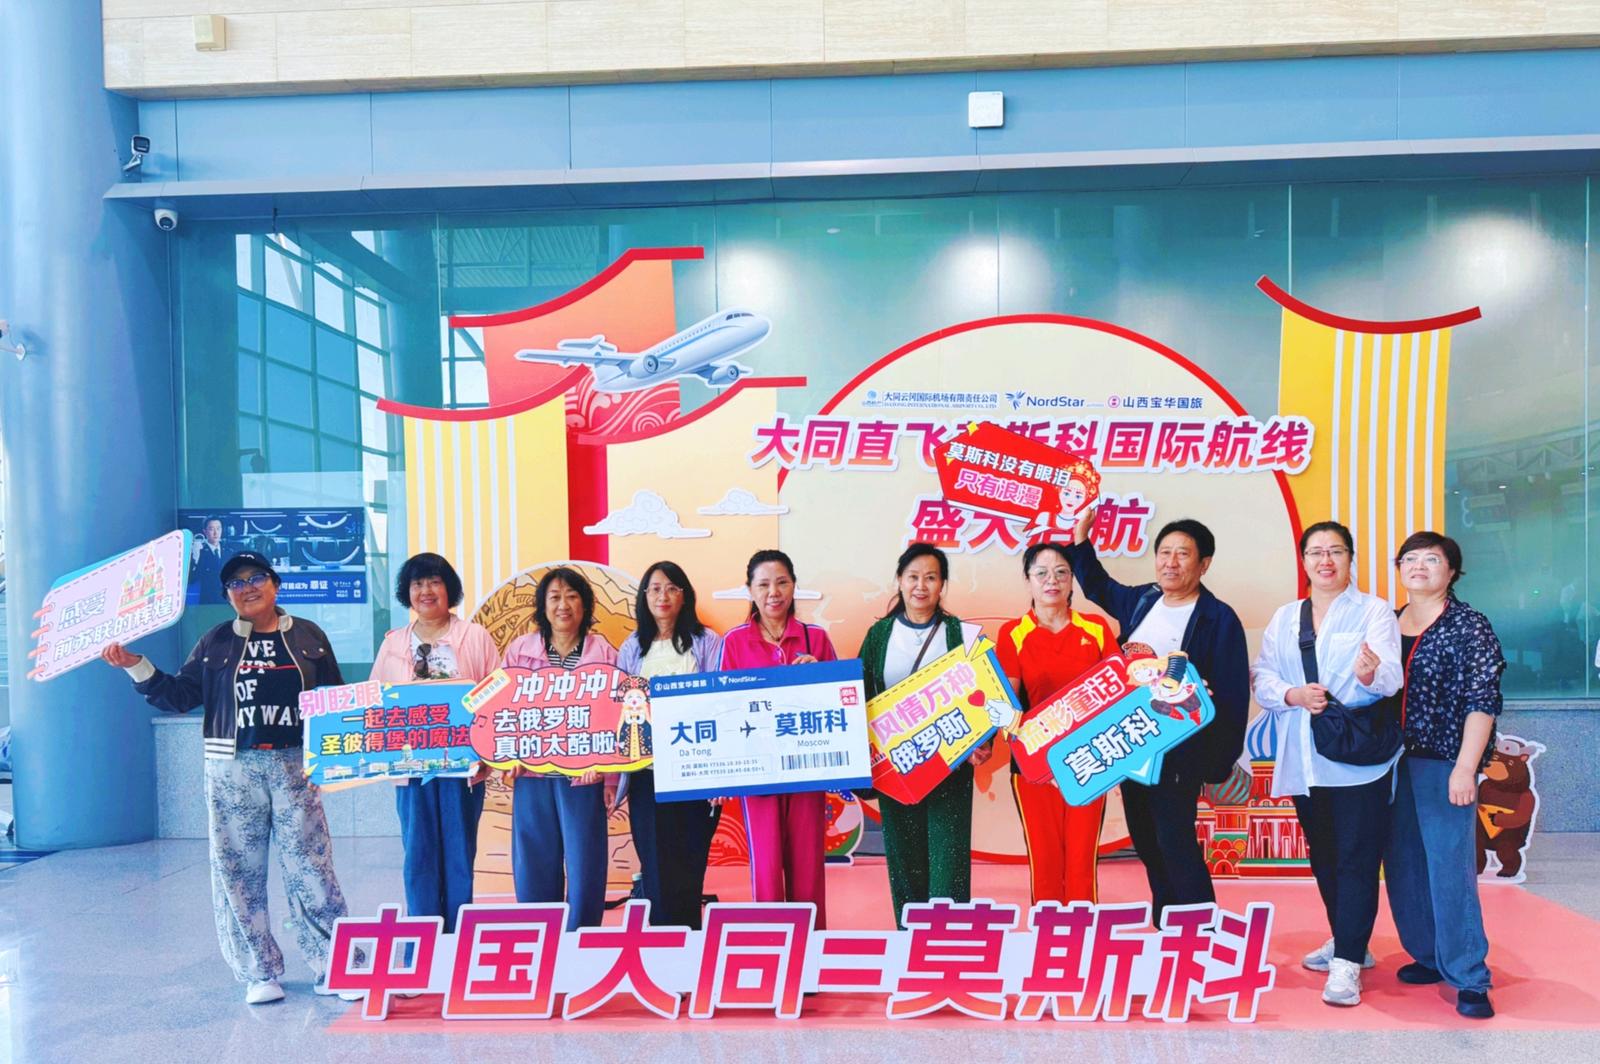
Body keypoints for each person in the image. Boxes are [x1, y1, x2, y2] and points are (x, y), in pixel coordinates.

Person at [101, 551, 355, 1006]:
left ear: (275, 584)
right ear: (227, 596)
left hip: (296, 766)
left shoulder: (309, 636)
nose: (247, 587)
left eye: (256, 577)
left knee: (312, 868)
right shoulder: (215, 641)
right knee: (237, 872)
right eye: (236, 583)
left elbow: (334, 699)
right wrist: (135, 665)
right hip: (231, 768)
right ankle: (259, 971)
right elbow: (178, 696)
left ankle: (332, 963)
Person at [1066, 512, 1250, 923]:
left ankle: (1200, 926)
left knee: (1174, 838)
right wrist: (1080, 539)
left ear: (1204, 564)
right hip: (1133, 743)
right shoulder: (1143, 601)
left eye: (1183, 554)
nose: (1171, 562)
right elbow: (1098, 585)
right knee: (1146, 839)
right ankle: (1167, 921)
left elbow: (1234, 693)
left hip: (1181, 749)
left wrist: (1217, 760)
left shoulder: (1218, 618)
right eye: (1164, 552)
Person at [1252, 520, 1403, 1007]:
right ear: (1304, 561)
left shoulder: (1373, 610)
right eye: (1316, 552)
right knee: (1324, 856)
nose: (1325, 560)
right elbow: (1262, 675)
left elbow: (1391, 677)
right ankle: (1348, 939)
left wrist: (1370, 674)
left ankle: (1347, 963)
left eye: (1335, 550)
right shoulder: (1286, 617)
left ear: (1350, 558)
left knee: (1358, 858)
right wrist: (1291, 694)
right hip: (1304, 756)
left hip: (1357, 759)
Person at [1382, 532, 1504, 1019]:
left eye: (1432, 559)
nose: (1419, 566)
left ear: (1451, 571)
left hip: (1443, 762)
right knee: (1404, 864)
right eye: (1410, 558)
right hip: (1388, 763)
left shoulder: (1469, 626)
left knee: (1450, 869)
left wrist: (1465, 768)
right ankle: (1428, 954)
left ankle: (1469, 976)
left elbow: (1483, 700)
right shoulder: (1387, 622)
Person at [368, 553, 499, 936]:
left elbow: (496, 692)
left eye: (434, 582)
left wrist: (486, 751)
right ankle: (422, 941)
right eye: (417, 583)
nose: (426, 590)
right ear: (407, 592)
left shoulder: (474, 636)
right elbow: (375, 701)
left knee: (459, 854)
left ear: (449, 589)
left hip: (462, 767)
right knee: (418, 855)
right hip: (410, 769)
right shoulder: (394, 643)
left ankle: (458, 941)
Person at [858, 543, 975, 928]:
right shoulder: (879, 635)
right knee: (905, 863)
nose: (920, 586)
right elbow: (859, 696)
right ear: (899, 581)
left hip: (949, 768)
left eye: (930, 577)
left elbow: (985, 696)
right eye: (913, 577)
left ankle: (947, 946)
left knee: (948, 865)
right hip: (897, 769)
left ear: (943, 584)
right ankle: (909, 944)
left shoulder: (961, 634)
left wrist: (983, 743)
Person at [720, 549, 839, 925]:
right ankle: (773, 947)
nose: (774, 592)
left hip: (807, 770)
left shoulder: (816, 638)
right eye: (764, 584)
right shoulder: (734, 642)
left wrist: (819, 676)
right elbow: (724, 709)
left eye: (782, 582)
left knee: (808, 867)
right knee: (767, 867)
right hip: (758, 773)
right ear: (750, 590)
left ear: (794, 586)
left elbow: (841, 703)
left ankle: (812, 947)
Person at [995, 543, 1116, 906]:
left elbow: (1118, 694)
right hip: (1034, 765)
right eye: (1042, 573)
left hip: (1089, 762)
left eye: (1062, 572)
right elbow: (1008, 706)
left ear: (1072, 579)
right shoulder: (1013, 634)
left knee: (1081, 860)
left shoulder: (1096, 629)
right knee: (1044, 859)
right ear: (1028, 580)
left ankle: (1083, 930)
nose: (1052, 580)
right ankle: (1047, 933)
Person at [501, 567, 617, 930]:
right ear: (542, 606)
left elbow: (617, 716)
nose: (563, 605)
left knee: (586, 860)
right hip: (532, 774)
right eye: (554, 597)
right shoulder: (520, 651)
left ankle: (582, 938)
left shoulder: (604, 652)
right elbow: (503, 709)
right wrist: (509, 759)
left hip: (584, 776)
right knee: (533, 859)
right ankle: (540, 934)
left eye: (572, 596)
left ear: (585, 605)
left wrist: (609, 775)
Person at [615, 561, 724, 929]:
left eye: (672, 588)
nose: (663, 596)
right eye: (655, 588)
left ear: (685, 596)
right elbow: (618, 709)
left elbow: (720, 704)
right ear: (644, 596)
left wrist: (719, 777)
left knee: (691, 861)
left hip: (696, 770)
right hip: (647, 772)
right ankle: (662, 943)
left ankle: (690, 938)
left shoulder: (708, 642)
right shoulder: (632, 647)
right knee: (655, 863)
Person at [190, 517, 226, 602]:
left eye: (218, 528)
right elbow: (192, 579)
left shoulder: (228, 550)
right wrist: (195, 558)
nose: (215, 533)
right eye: (211, 529)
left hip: (227, 600)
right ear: (205, 531)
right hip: (208, 600)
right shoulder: (200, 552)